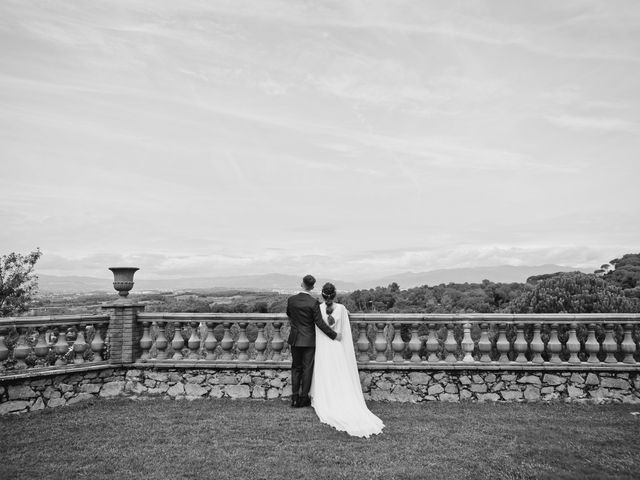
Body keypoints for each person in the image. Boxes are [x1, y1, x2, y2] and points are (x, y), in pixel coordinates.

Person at [310, 282, 384, 438]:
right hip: (337, 346)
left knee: (326, 373)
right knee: (339, 373)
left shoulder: (318, 308)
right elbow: (344, 327)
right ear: (335, 295)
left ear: (322, 295)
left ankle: (327, 397)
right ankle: (340, 396)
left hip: (323, 347)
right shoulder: (342, 309)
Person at [286, 274, 342, 408]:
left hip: (295, 339)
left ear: (302, 284)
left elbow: (289, 314)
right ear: (312, 287)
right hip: (309, 340)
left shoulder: (291, 300)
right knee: (307, 369)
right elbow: (320, 323)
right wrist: (334, 335)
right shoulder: (313, 303)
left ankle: (294, 398)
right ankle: (304, 398)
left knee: (296, 368)